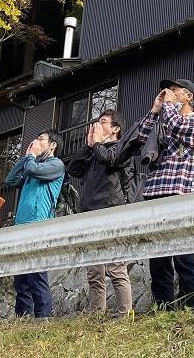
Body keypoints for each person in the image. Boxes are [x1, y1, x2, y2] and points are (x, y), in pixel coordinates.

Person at [135, 78, 194, 310]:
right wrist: (155, 110)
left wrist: (166, 108)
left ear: (189, 96)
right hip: (156, 190)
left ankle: (189, 307)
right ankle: (163, 308)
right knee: (158, 258)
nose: (168, 94)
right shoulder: (163, 119)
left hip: (183, 190)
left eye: (174, 91)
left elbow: (179, 127)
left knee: (184, 255)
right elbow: (139, 139)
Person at [66, 109, 133, 316]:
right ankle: (97, 315)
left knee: (116, 267)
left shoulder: (121, 148)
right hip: (89, 213)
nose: (96, 125)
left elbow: (110, 160)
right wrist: (88, 146)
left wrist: (97, 144)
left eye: (102, 121)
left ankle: (124, 315)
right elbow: (74, 170)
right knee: (94, 272)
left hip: (111, 212)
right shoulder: (94, 152)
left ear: (115, 129)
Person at [4, 130, 65, 318]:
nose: (36, 142)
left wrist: (31, 157)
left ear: (52, 145)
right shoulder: (32, 166)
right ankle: (22, 315)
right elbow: (10, 180)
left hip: (39, 224)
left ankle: (43, 316)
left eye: (41, 139)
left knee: (36, 273)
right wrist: (26, 158)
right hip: (22, 224)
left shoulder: (56, 164)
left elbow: (33, 170)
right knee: (20, 275)